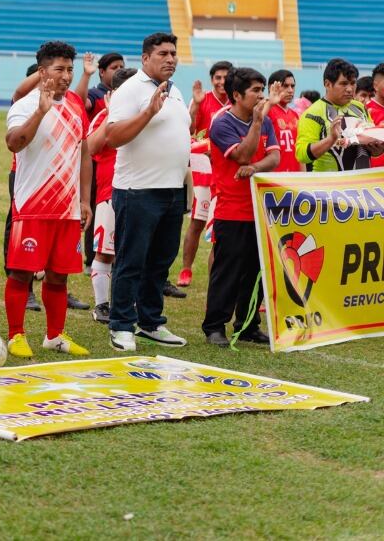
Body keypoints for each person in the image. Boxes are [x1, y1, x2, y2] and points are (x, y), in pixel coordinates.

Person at [3, 40, 92, 357]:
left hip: (68, 209)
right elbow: (14, 143)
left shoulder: (76, 106)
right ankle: (16, 334)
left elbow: (84, 153)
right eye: (60, 69)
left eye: (71, 69)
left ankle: (54, 335)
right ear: (42, 72)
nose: (67, 76)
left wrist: (84, 200)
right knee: (22, 273)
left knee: (59, 274)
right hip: (33, 207)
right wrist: (40, 112)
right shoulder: (26, 105)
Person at [104, 32, 190, 352]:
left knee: (160, 262)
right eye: (163, 54)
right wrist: (148, 114)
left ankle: (151, 322)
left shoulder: (175, 91)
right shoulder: (130, 89)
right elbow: (112, 136)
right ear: (145, 58)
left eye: (173, 54)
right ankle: (122, 324)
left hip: (171, 190)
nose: (170, 59)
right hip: (138, 190)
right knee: (132, 260)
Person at [203, 68, 279, 347]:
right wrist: (257, 124)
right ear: (236, 95)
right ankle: (214, 326)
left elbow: (274, 158)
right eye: (256, 91)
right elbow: (242, 154)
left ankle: (247, 325)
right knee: (228, 271)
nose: (262, 96)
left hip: (259, 209)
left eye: (263, 89)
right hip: (232, 210)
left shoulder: (265, 120)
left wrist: (254, 168)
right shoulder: (222, 123)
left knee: (256, 271)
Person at [86, 67, 137, 324]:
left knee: (136, 252)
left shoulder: (146, 116)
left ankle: (128, 302)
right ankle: (101, 305)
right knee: (106, 251)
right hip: (110, 193)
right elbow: (91, 147)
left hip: (142, 192)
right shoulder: (104, 116)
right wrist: (109, 114)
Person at [179, 60, 232, 289]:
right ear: (212, 80)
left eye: (225, 78)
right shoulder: (202, 98)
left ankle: (216, 274)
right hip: (204, 169)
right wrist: (195, 106)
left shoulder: (236, 100)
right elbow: (188, 130)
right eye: (217, 78)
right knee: (197, 222)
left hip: (226, 170)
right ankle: (186, 268)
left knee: (220, 224)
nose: (221, 82)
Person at [296, 58, 383, 171]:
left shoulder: (360, 107)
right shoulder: (312, 113)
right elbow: (302, 155)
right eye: (343, 84)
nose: (350, 89)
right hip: (330, 186)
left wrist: (377, 149)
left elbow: (372, 149)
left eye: (353, 83)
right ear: (327, 84)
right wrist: (331, 139)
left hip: (361, 185)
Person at [266, 69, 302, 173]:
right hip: (274, 177)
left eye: (292, 86)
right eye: (285, 86)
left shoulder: (295, 115)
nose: (290, 90)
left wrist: (304, 176)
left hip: (295, 178)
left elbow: (299, 149)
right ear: (272, 88)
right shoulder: (266, 111)